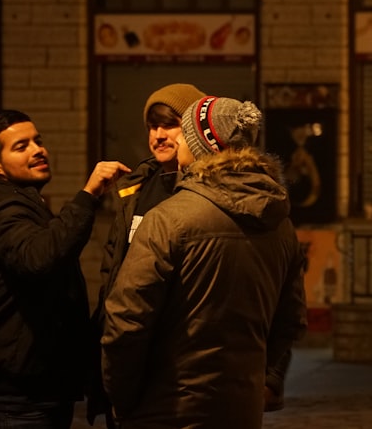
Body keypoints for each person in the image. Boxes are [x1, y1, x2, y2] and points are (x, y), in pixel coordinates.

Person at [102, 96, 308, 428]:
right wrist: (251, 377)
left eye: (183, 133)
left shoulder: (169, 219)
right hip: (240, 407)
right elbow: (291, 319)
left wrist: (123, 397)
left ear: (201, 146)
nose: (175, 139)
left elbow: (126, 322)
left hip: (168, 408)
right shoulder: (280, 224)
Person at [0, 109, 130, 429]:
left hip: (31, 394)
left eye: (38, 141)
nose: (37, 150)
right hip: (13, 402)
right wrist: (88, 196)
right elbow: (41, 258)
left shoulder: (16, 200)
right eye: (21, 146)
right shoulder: (1, 211)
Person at [86, 82, 206, 426]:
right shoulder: (136, 187)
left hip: (176, 356)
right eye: (153, 126)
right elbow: (114, 264)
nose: (158, 135)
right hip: (130, 345)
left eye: (169, 124)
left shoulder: (204, 191)